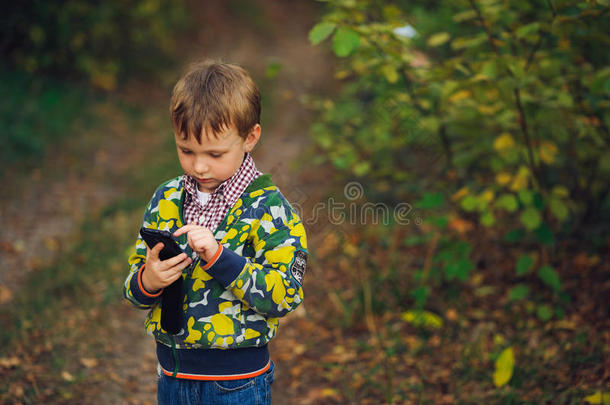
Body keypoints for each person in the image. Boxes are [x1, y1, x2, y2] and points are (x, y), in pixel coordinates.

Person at [123, 60, 307, 405]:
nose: (199, 166)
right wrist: (149, 279)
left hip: (237, 383)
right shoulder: (167, 198)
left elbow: (285, 294)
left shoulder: (271, 209)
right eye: (186, 150)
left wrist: (221, 258)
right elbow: (133, 290)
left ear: (250, 137)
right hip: (173, 377)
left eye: (215, 153)